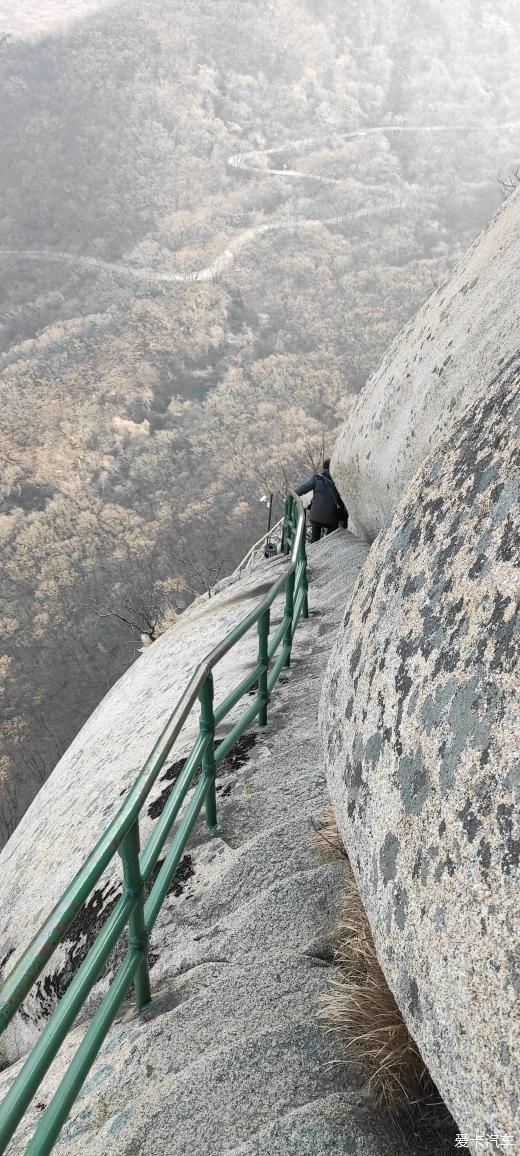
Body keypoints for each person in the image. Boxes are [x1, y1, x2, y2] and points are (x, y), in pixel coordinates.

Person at [295, 459, 348, 542]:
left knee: (315, 530)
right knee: (332, 531)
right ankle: (327, 543)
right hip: (331, 519)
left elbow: (301, 489)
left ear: (324, 468)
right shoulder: (338, 481)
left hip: (315, 516)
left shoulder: (317, 479)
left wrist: (292, 495)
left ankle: (314, 543)